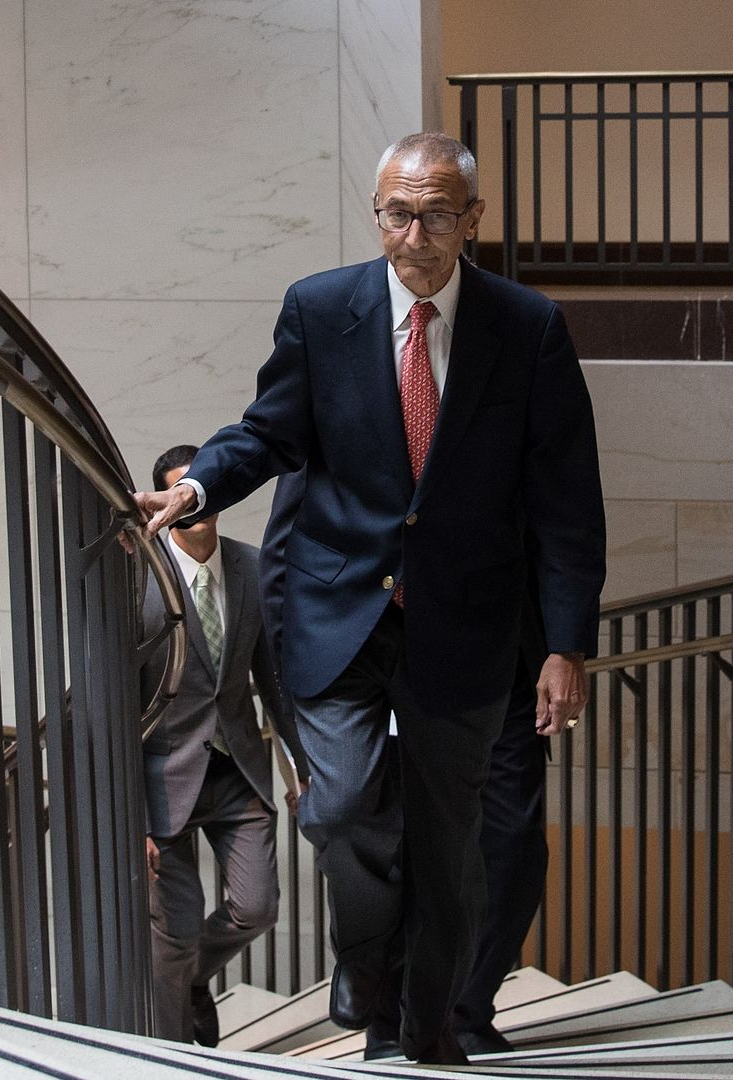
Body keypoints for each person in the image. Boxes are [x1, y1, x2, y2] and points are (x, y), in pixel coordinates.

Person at [135, 132, 605, 1066]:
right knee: (342, 807)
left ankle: (425, 1025)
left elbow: (566, 500)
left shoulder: (528, 328)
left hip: (466, 630)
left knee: (450, 845)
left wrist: (564, 644)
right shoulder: (321, 310)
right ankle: (368, 964)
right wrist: (200, 489)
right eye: (398, 212)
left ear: (472, 220)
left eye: (437, 214)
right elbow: (267, 430)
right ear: (376, 214)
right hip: (338, 612)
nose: (414, 234)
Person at [261, 472, 551, 1060]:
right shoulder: (342, 392)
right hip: (378, 669)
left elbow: (554, 522)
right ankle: (394, 1022)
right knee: (395, 850)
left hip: (503, 665)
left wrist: (565, 647)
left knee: (511, 853)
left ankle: (456, 1006)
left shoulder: (505, 393)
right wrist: (299, 716)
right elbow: (282, 556)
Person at [139, 444, 310, 1047]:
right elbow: (116, 706)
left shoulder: (253, 567)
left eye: (199, 494)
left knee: (258, 907)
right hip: (162, 780)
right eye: (176, 495)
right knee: (174, 932)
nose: (193, 510)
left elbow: (274, 679)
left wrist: (299, 768)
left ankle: (185, 981)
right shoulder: (139, 576)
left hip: (238, 768)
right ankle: (168, 1051)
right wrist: (131, 820)